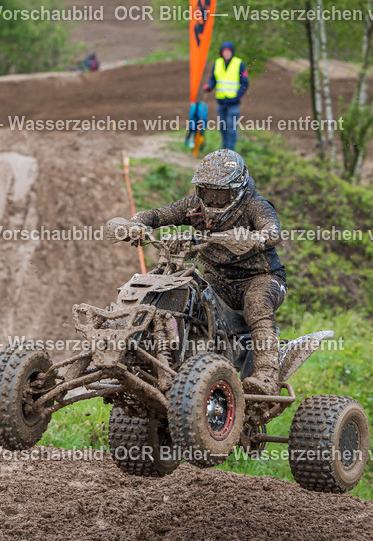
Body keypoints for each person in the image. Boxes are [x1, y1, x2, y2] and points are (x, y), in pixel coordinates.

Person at [113, 149, 285, 395]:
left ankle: (266, 377)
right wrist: (135, 224)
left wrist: (257, 237)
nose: (213, 200)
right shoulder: (193, 206)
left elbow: (274, 231)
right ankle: (166, 363)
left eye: (220, 194)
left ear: (237, 190)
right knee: (184, 295)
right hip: (218, 281)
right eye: (207, 192)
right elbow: (158, 215)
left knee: (257, 304)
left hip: (260, 278)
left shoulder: (255, 205)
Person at [202, 41, 248, 151]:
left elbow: (245, 83)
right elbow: (213, 79)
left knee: (231, 128)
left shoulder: (239, 64)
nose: (226, 53)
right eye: (224, 51)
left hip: (233, 103)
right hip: (221, 102)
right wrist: (209, 86)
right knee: (223, 127)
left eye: (228, 51)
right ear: (221, 52)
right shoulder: (217, 63)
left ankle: (230, 151)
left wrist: (236, 97)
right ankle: (224, 150)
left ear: (232, 52)